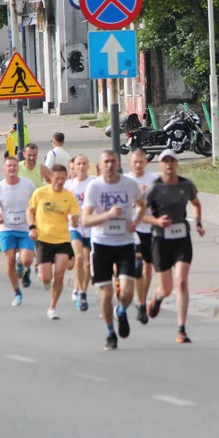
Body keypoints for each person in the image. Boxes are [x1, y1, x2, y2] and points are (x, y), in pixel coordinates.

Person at [82, 150, 145, 351]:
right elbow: (85, 220)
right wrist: (107, 215)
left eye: (113, 161)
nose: (110, 165)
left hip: (125, 243)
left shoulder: (129, 184)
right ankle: (110, 332)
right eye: (106, 162)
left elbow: (142, 204)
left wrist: (135, 221)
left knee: (126, 292)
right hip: (101, 244)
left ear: (118, 164)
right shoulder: (95, 187)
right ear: (100, 166)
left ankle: (121, 311)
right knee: (107, 292)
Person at [143, 150, 205, 344]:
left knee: (181, 282)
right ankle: (158, 297)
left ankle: (181, 329)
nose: (169, 164)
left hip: (181, 238)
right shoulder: (154, 188)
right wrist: (155, 221)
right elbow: (140, 214)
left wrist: (198, 223)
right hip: (160, 240)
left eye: (172, 161)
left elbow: (196, 203)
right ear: (160, 165)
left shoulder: (186, 184)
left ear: (177, 164)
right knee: (167, 288)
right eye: (165, 161)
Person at [28, 164, 80, 320]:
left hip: (63, 239)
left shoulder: (69, 196)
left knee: (59, 273)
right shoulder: (41, 193)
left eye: (63, 179)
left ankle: (52, 307)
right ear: (50, 178)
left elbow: (76, 220)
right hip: (44, 239)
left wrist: (73, 220)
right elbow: (30, 210)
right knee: (46, 278)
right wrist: (32, 227)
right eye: (57, 179)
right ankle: (43, 276)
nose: (60, 182)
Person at [0, 156, 36, 306]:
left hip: (24, 228)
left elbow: (35, 205)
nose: (12, 168)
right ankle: (17, 293)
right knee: (9, 261)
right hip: (7, 228)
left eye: (14, 166)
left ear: (18, 168)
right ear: (4, 169)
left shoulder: (28, 185)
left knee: (27, 259)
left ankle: (23, 267)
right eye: (9, 166)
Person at [128, 149, 159, 325]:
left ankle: (142, 298)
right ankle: (140, 303)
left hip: (150, 228)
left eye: (141, 162)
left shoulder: (153, 180)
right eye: (135, 162)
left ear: (146, 163)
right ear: (130, 163)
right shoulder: (126, 180)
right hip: (133, 229)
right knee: (138, 266)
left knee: (148, 268)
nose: (138, 165)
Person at [65, 154, 93, 311]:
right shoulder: (69, 186)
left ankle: (82, 289)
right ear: (74, 167)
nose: (81, 166)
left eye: (84, 163)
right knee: (79, 256)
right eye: (78, 164)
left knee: (87, 261)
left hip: (90, 226)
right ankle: (80, 291)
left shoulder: (93, 183)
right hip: (74, 226)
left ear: (88, 166)